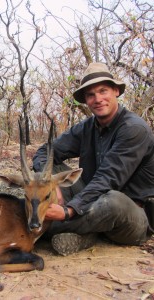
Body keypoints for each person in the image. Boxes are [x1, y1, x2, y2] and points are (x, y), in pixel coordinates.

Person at [33, 62, 154, 256]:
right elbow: (45, 152)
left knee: (113, 201)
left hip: (131, 216)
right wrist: (51, 183)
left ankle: (40, 226)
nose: (98, 99)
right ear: (86, 100)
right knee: (51, 170)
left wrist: (68, 211)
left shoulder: (134, 129)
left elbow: (108, 178)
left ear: (116, 91)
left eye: (103, 91)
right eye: (91, 95)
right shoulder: (86, 127)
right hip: (90, 201)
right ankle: (86, 235)